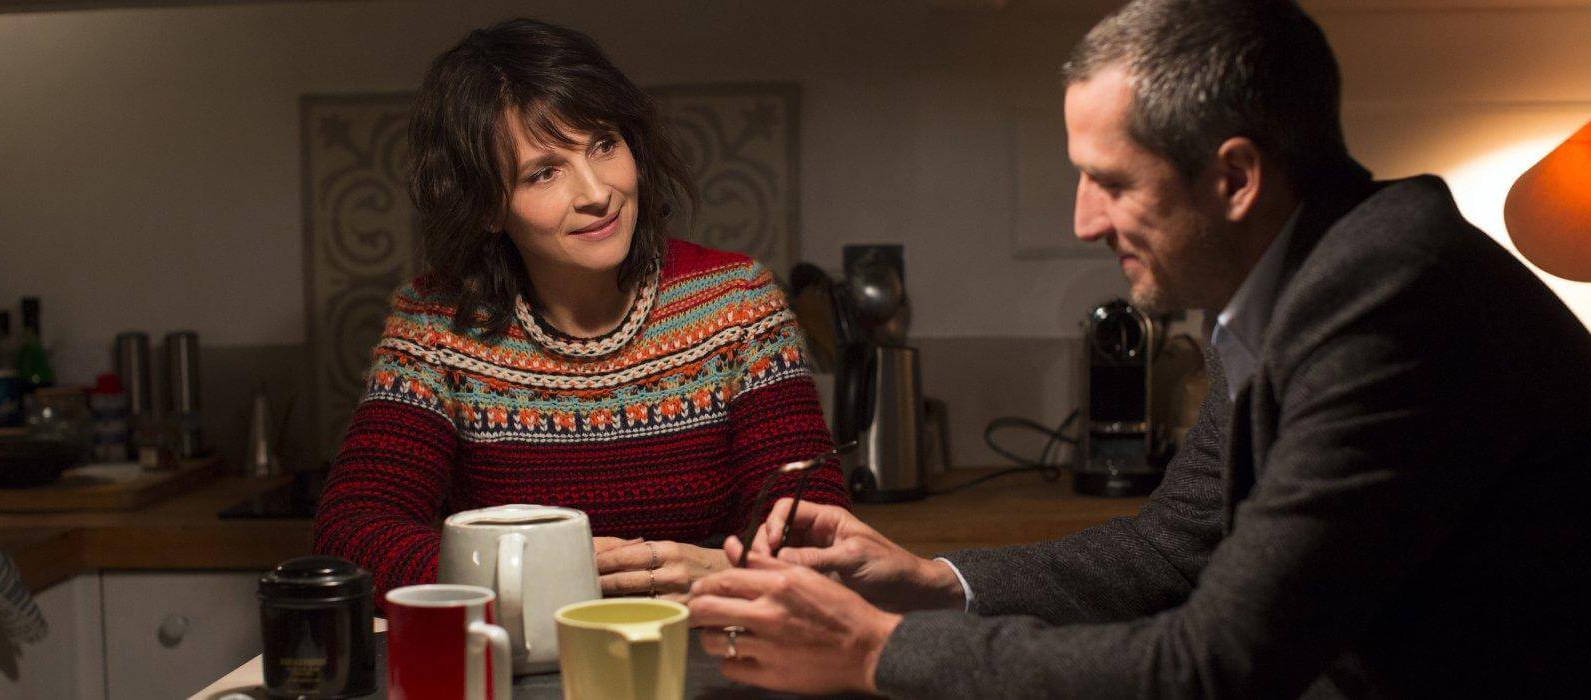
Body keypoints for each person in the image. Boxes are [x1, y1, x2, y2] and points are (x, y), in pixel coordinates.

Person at [686, 0, 1591, 696]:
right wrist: (928, 581)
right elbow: (1173, 548)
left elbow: (1214, 667)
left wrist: (872, 650)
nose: (1083, 221)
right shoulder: (1297, 278)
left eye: (1110, 181)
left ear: (1234, 178)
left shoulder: (1388, 303)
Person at [313, 17, 846, 605]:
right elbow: (350, 535)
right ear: (487, 207)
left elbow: (815, 529)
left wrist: (719, 567)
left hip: (710, 646)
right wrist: (532, 569)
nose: (596, 192)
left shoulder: (736, 303)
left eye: (603, 145)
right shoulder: (437, 326)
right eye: (544, 172)